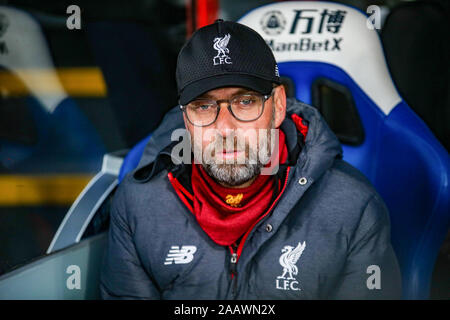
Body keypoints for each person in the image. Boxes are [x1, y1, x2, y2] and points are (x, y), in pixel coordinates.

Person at [100, 19, 401, 299]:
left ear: (278, 106)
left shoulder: (353, 207)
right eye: (204, 107)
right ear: (186, 120)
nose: (225, 128)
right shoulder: (140, 204)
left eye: (245, 102)